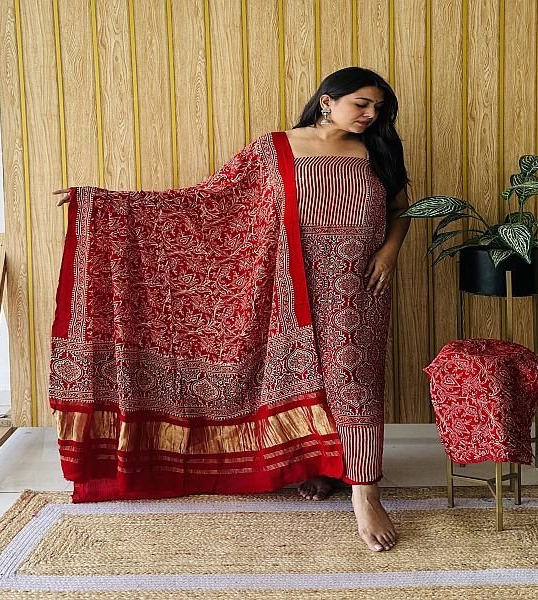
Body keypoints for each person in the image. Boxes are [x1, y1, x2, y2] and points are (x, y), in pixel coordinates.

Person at [52, 66, 410, 553]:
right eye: (361, 104)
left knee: (354, 378)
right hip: (287, 284)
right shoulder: (274, 149)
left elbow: (400, 208)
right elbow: (207, 202)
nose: (370, 115)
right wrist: (104, 204)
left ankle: (365, 493)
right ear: (328, 101)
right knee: (297, 374)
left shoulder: (378, 149)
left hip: (359, 284)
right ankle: (321, 466)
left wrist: (389, 252)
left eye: (378, 108)